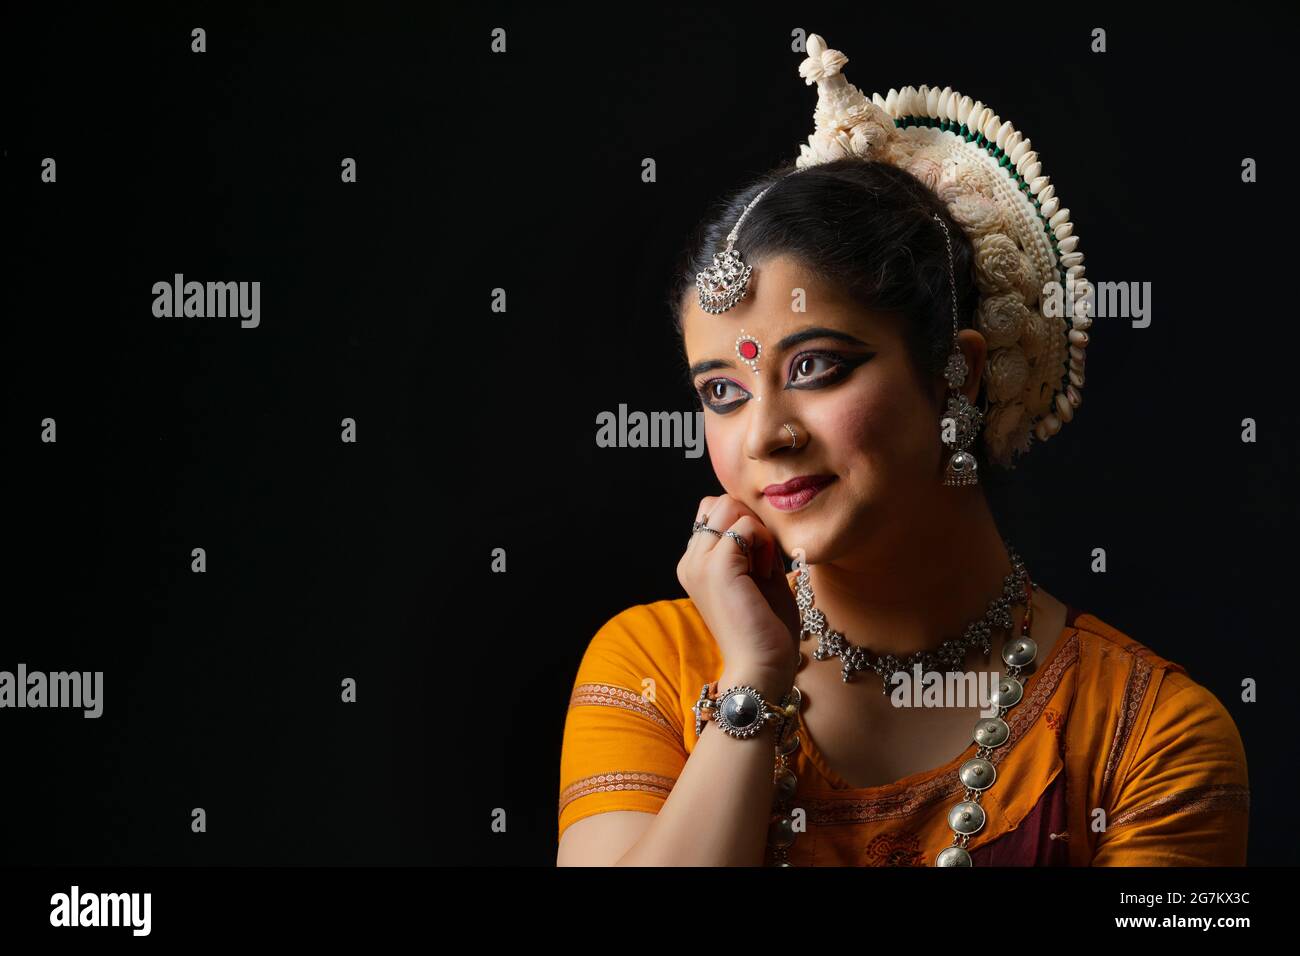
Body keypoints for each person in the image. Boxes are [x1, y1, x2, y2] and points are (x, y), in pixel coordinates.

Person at [556, 34, 1249, 866]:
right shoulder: (652, 668)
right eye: (723, 392)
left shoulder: (1151, 737)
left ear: (957, 371)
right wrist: (752, 681)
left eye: (814, 367)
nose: (765, 433)